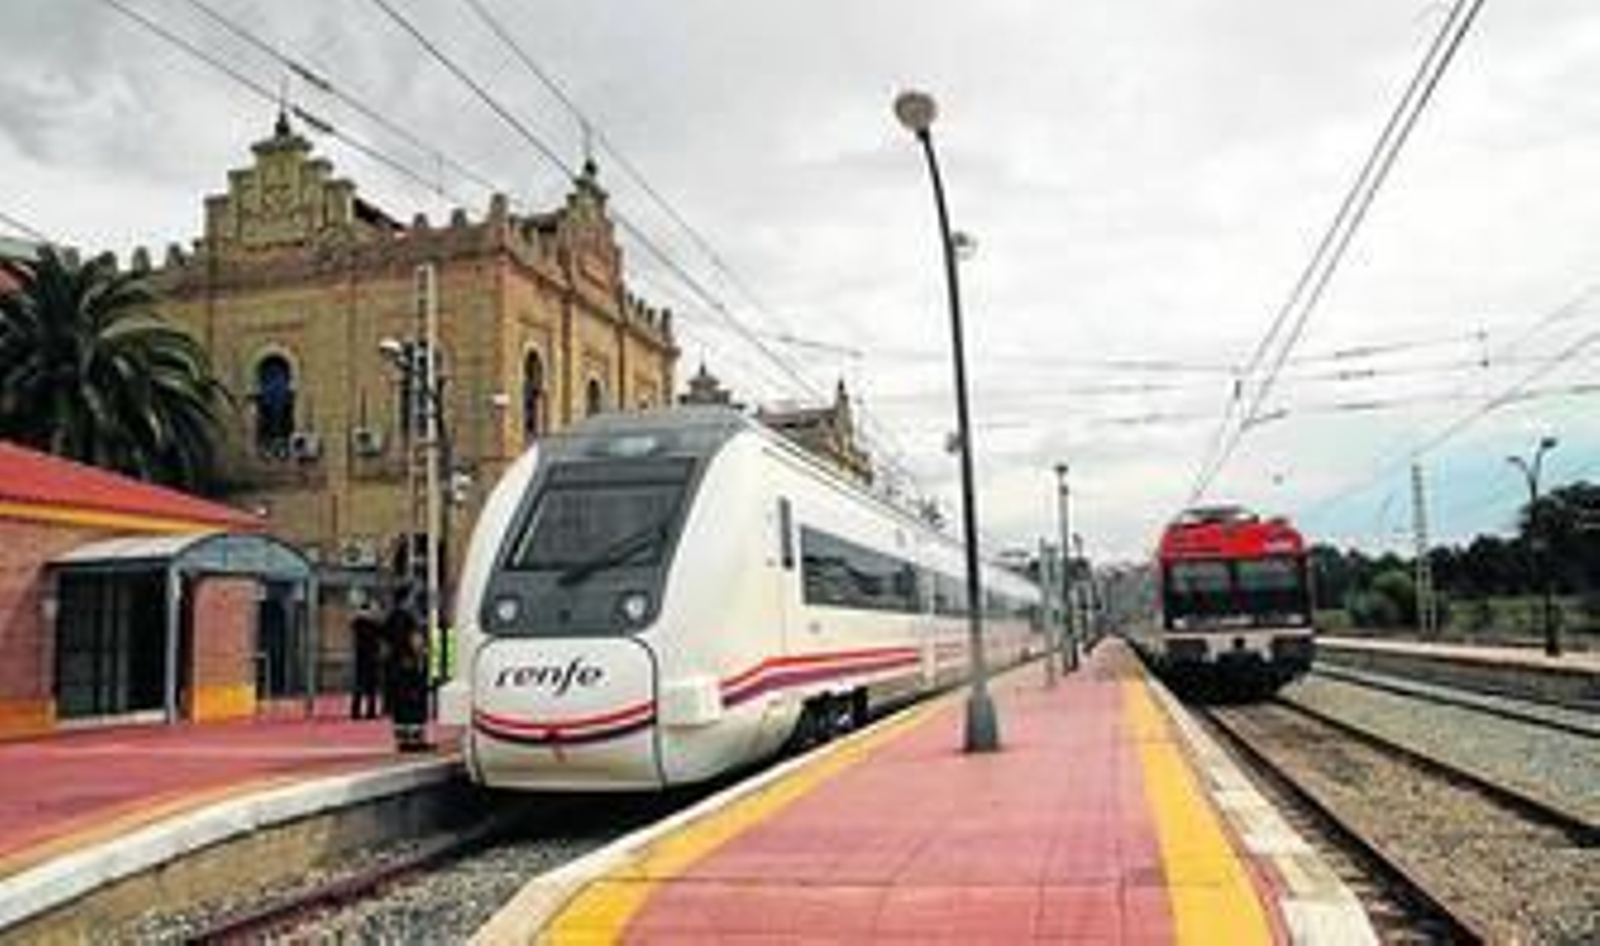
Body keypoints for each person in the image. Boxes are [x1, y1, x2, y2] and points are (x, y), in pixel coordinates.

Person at [384, 586, 431, 751]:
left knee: (400, 702)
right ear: (407, 599)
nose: (414, 601)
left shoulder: (389, 618)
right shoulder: (410, 619)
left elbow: (385, 643)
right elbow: (416, 642)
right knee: (414, 701)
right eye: (412, 598)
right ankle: (415, 740)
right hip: (409, 664)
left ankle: (402, 740)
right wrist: (423, 653)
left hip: (393, 665)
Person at [349, 601, 385, 720]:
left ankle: (356, 711)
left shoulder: (357, 623)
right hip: (371, 657)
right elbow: (381, 633)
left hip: (361, 657)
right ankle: (370, 711)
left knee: (359, 686)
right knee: (371, 687)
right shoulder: (372, 624)